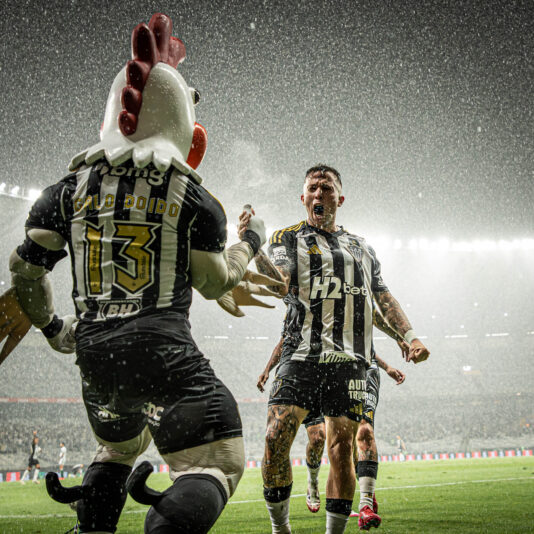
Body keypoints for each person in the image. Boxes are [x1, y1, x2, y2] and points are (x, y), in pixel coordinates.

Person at [6, 13, 278, 534]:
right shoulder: (193, 197)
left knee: (118, 446)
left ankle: (94, 526)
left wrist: (54, 329)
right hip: (161, 349)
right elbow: (217, 282)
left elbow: (25, 270)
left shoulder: (65, 191)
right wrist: (251, 241)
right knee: (216, 461)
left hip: (95, 357)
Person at [246, 164, 430, 533]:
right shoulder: (286, 238)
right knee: (274, 440)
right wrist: (253, 247)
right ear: (303, 197)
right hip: (300, 355)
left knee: (342, 450)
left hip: (349, 362)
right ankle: (280, 528)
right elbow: (279, 285)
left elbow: (381, 297)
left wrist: (409, 335)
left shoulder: (361, 247)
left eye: (326, 187)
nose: (319, 193)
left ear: (340, 198)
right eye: (313, 188)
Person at [258, 339, 406, 516]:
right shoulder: (305, 327)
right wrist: (267, 369)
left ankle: (348, 501)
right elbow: (286, 338)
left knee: (346, 438)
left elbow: (361, 340)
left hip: (338, 373)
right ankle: (313, 482)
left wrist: (388, 363)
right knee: (317, 437)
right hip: (308, 370)